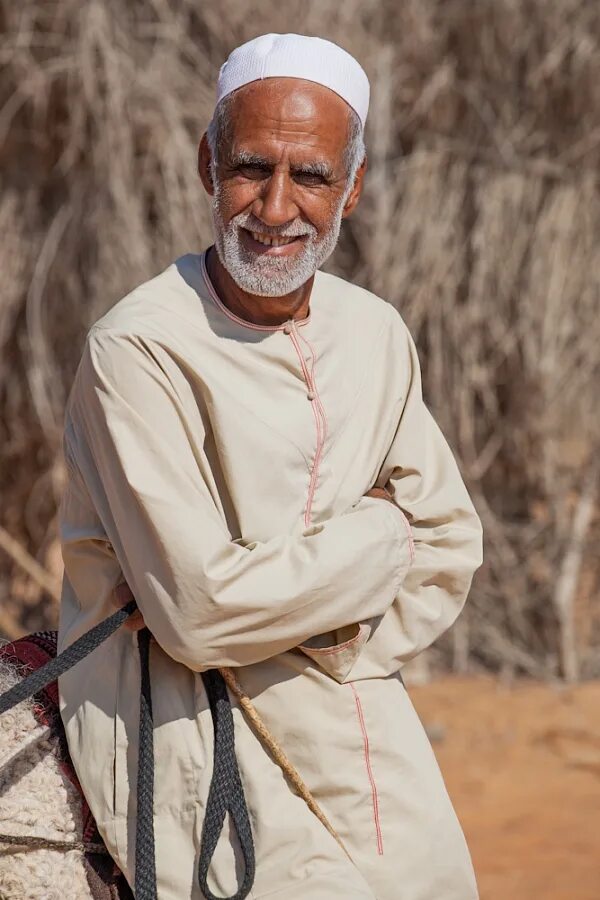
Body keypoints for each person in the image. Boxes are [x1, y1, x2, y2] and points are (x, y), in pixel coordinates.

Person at [58, 33, 483, 900]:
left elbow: (449, 541)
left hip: (353, 689)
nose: (277, 207)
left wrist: (330, 636)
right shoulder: (137, 347)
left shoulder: (376, 333)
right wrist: (380, 537)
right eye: (253, 167)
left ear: (353, 188)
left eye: (314, 176)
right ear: (209, 163)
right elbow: (202, 615)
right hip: (183, 712)